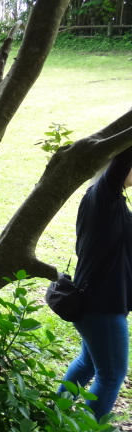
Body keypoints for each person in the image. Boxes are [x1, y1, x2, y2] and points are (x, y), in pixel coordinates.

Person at [57, 145, 132, 420]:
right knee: (112, 376)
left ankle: (56, 417)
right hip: (103, 306)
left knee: (87, 363)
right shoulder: (104, 194)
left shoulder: (103, 199)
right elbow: (123, 156)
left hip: (95, 302)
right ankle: (85, 428)